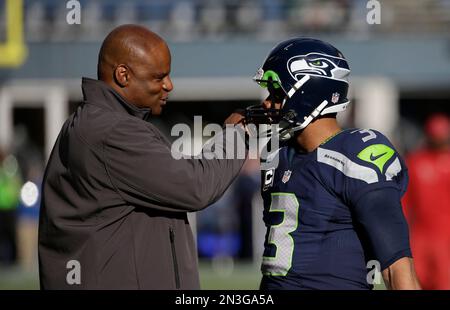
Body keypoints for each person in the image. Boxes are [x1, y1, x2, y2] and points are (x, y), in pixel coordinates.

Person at [38, 24, 247, 289]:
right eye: (159, 77)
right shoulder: (111, 131)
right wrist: (237, 136)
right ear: (123, 75)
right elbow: (195, 186)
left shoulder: (97, 122)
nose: (169, 85)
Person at [245, 38, 421, 290]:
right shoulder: (276, 154)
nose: (267, 102)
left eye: (276, 92)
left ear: (307, 92)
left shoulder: (357, 154)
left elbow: (397, 268)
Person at [403, 113, 450, 289]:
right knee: (415, 280)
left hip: (446, 236)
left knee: (444, 282)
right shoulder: (415, 161)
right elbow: (404, 201)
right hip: (420, 235)